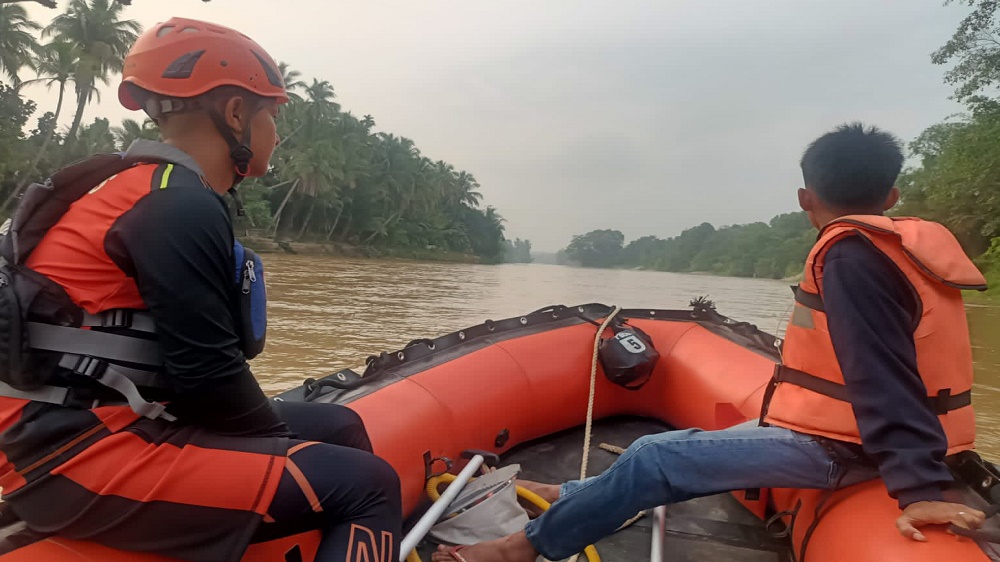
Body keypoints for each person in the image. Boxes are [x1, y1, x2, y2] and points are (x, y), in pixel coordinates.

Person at [431, 123, 989, 562]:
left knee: (655, 454)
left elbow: (881, 374)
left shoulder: (851, 258)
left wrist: (919, 487)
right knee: (702, 441)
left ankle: (516, 549)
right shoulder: (900, 248)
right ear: (891, 193)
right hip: (848, 432)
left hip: (853, 448)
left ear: (803, 196)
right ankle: (575, 498)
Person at [0, 17, 401, 562]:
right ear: (236, 113)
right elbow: (207, 377)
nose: (276, 133)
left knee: (341, 423)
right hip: (70, 456)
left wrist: (276, 441)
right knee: (369, 484)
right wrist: (275, 446)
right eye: (272, 115)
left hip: (83, 425)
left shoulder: (143, 186)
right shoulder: (177, 203)